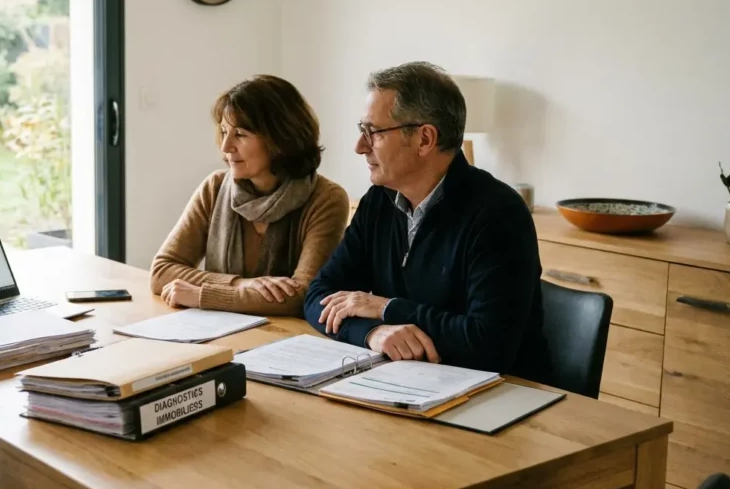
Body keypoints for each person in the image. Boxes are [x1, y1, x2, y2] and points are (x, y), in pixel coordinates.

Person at [304, 62, 550, 382]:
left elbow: (488, 346)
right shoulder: (379, 200)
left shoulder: (498, 214)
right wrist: (373, 333)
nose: (359, 146)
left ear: (424, 139)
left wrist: (387, 309)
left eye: (373, 132)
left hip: (503, 398)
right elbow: (317, 297)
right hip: (408, 383)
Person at [150, 75, 349, 317]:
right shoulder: (214, 187)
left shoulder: (326, 199)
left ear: (280, 138)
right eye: (224, 131)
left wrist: (203, 294)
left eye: (240, 135)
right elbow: (162, 271)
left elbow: (304, 295)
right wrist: (238, 284)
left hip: (286, 341)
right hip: (219, 333)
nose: (226, 147)